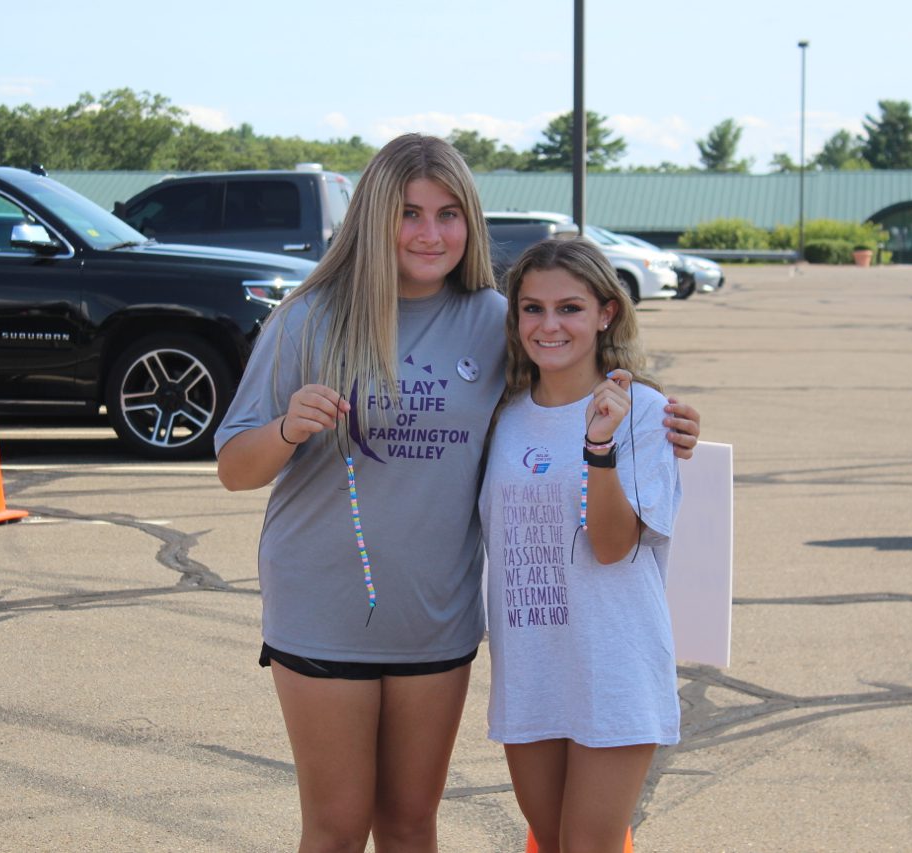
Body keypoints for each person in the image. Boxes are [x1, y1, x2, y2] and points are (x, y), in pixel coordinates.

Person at [215, 134, 698, 853]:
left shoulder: (493, 318)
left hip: (437, 619)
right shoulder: (309, 317)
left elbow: (568, 379)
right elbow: (233, 466)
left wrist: (664, 418)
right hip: (321, 612)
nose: (429, 233)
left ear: (470, 222)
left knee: (411, 822)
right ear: (374, 218)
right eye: (408, 213)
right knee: (338, 827)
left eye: (448, 214)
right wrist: (287, 427)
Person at [480, 238, 682, 853]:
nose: (549, 325)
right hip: (530, 666)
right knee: (548, 840)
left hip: (613, 665)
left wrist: (600, 446)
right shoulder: (502, 412)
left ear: (606, 313)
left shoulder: (642, 411)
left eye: (569, 308)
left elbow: (614, 546)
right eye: (532, 308)